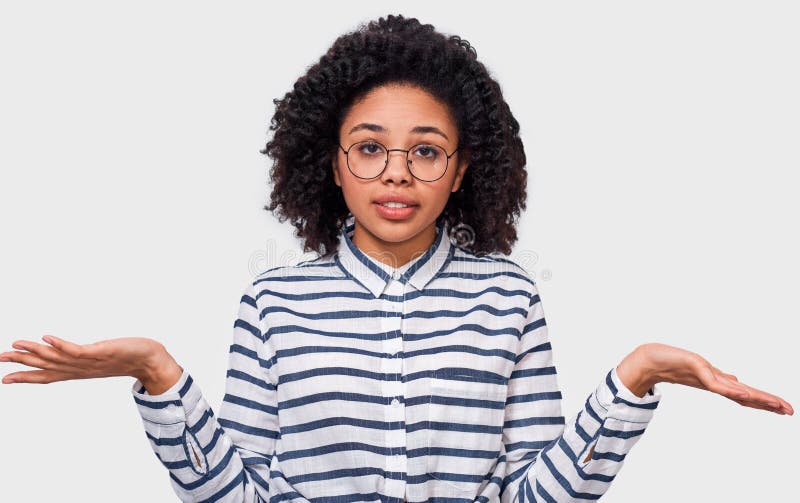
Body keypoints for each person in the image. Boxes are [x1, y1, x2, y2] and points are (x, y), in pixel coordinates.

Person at [0, 13, 793, 503]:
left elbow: (534, 495)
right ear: (332, 162)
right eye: (370, 148)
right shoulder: (273, 306)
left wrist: (636, 378)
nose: (397, 174)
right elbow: (239, 496)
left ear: (461, 169)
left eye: (426, 150)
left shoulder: (508, 299)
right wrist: (159, 375)